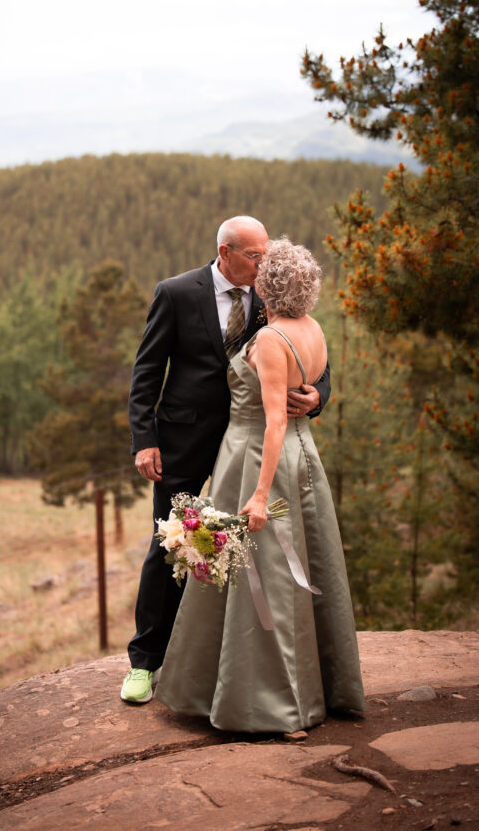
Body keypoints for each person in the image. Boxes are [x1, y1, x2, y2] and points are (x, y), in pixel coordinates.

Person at [154, 238, 365, 732]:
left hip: (258, 459)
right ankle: (317, 687)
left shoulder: (270, 339)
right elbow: (303, 395)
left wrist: (258, 494)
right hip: (303, 453)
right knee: (305, 568)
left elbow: (273, 422)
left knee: (265, 577)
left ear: (268, 286)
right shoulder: (312, 328)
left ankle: (268, 702)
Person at [121, 217, 331, 704]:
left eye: (266, 256)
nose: (264, 265)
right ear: (225, 251)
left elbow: (316, 361)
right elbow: (147, 369)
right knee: (172, 543)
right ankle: (145, 663)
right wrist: (144, 439)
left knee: (255, 548)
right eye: (254, 256)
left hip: (251, 441)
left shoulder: (272, 297)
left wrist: (316, 397)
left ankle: (209, 658)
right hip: (185, 438)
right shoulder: (175, 292)